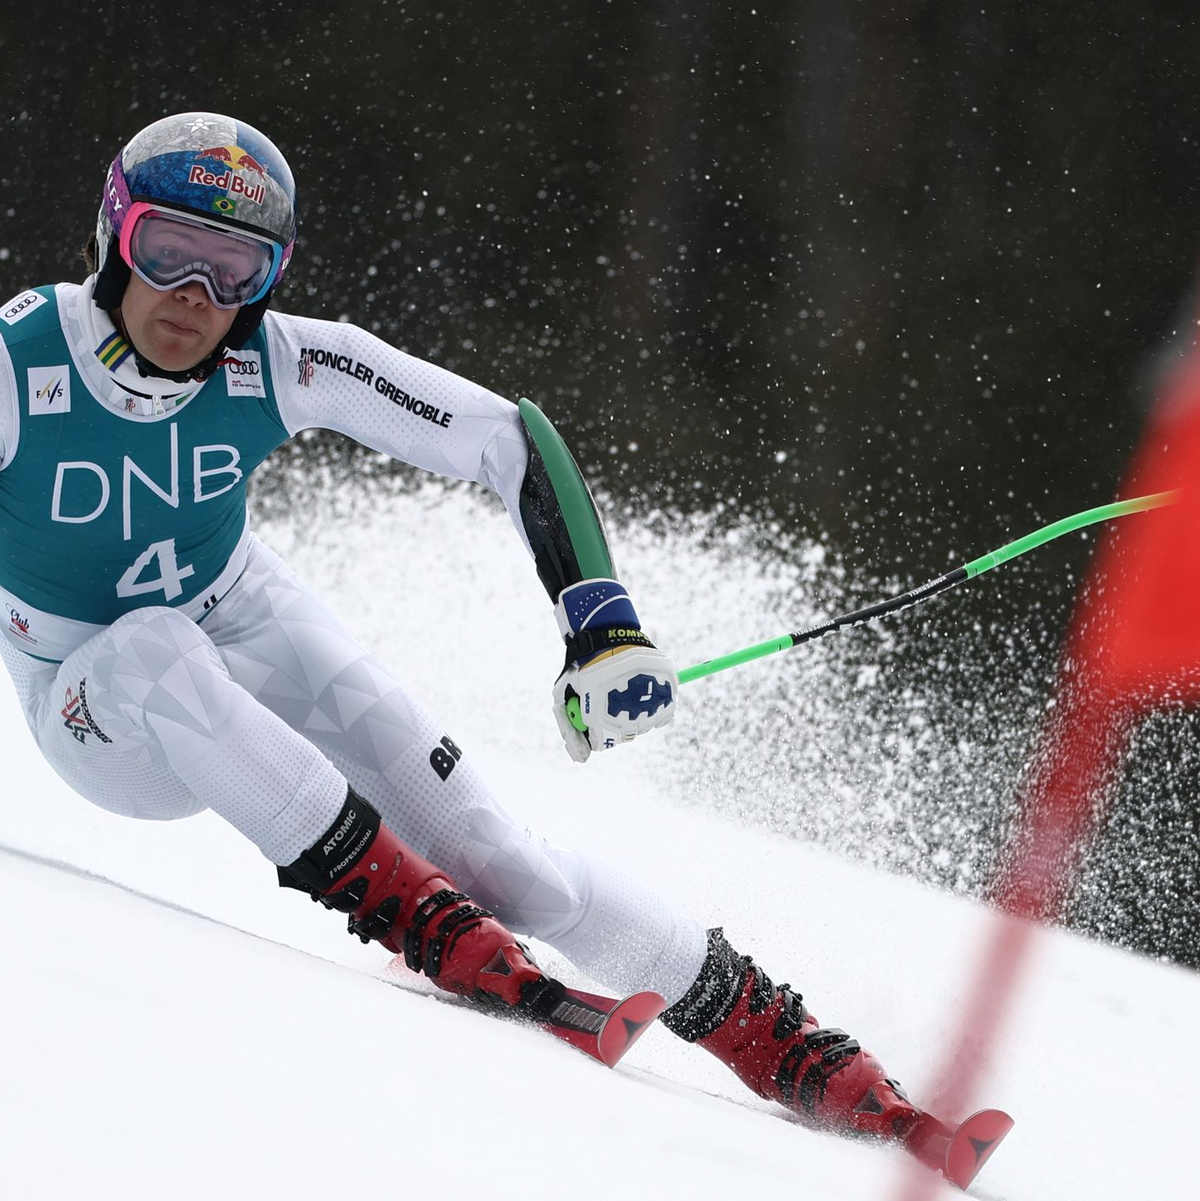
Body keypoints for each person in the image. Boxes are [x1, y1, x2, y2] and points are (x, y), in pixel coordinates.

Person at [0, 112, 982, 1179]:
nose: (195, 295)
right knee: (151, 647)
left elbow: (505, 436)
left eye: (234, 266)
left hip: (238, 609)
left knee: (505, 859)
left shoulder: (279, 363)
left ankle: (794, 1048)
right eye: (167, 251)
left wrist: (598, 620)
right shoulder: (20, 366)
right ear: (111, 237)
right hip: (89, 703)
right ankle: (433, 929)